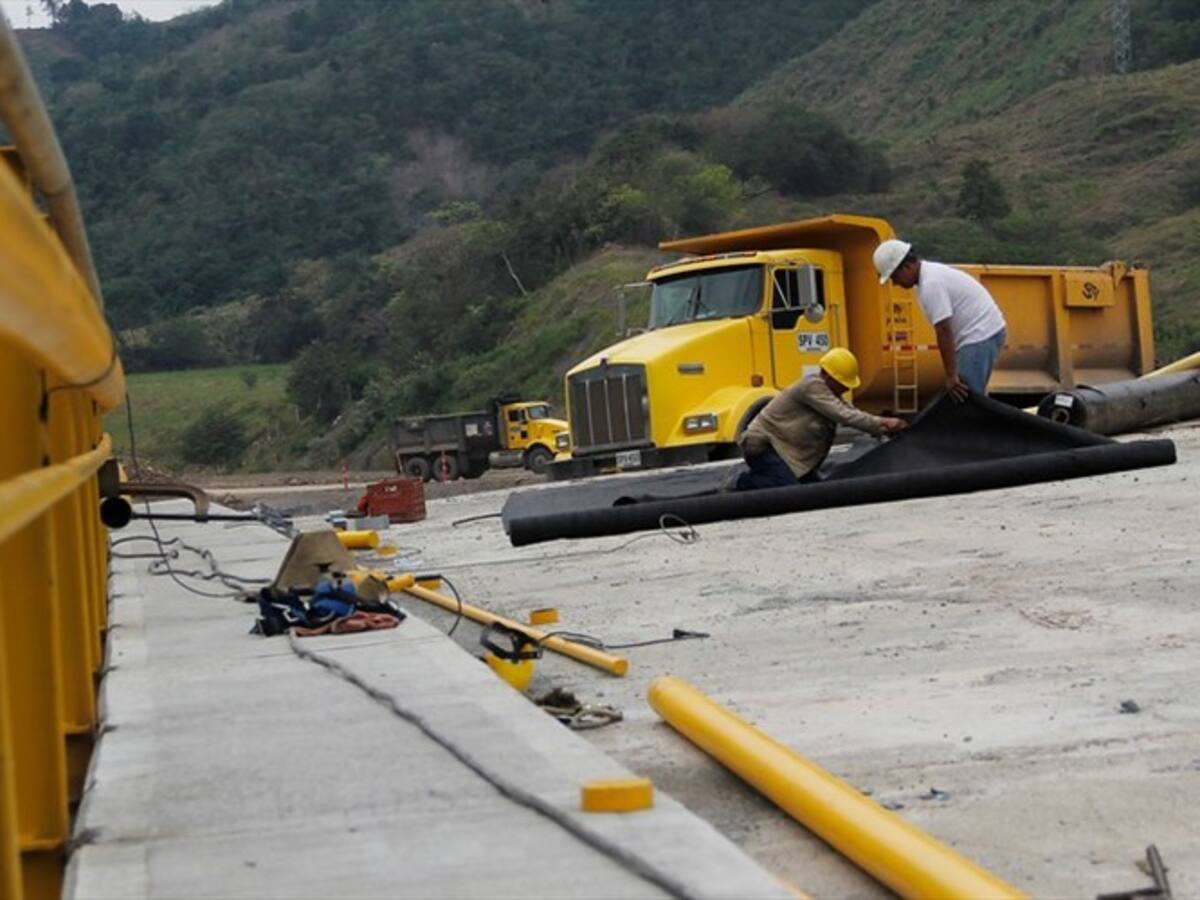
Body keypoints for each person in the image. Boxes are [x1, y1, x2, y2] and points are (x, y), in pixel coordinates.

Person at [732, 348, 906, 491]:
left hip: (788, 457)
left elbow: (849, 410)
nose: (845, 388)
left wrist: (881, 426)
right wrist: (882, 423)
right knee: (788, 491)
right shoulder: (812, 387)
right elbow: (844, 415)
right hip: (765, 448)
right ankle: (742, 483)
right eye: (842, 383)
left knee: (815, 492)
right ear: (828, 375)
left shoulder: (830, 392)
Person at [873, 239, 1006, 401]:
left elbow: (943, 330)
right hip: (980, 334)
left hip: (980, 335)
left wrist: (951, 375)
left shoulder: (931, 283)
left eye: (895, 277)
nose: (895, 283)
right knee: (968, 397)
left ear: (907, 266)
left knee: (966, 398)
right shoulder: (927, 278)